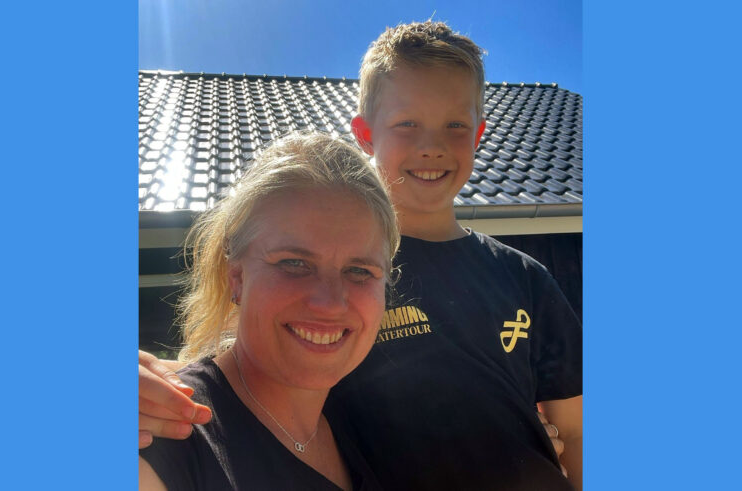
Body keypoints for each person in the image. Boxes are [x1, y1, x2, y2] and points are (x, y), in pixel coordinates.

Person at [140, 21, 583, 490]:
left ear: (479, 134)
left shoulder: (525, 276)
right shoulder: (334, 276)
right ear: (365, 133)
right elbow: (239, 372)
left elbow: (574, 430)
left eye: (455, 125)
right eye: (407, 123)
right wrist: (153, 384)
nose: (431, 146)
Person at [139, 132, 400, 490]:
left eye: (359, 271)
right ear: (236, 278)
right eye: (294, 263)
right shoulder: (164, 433)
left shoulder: (363, 423)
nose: (329, 303)